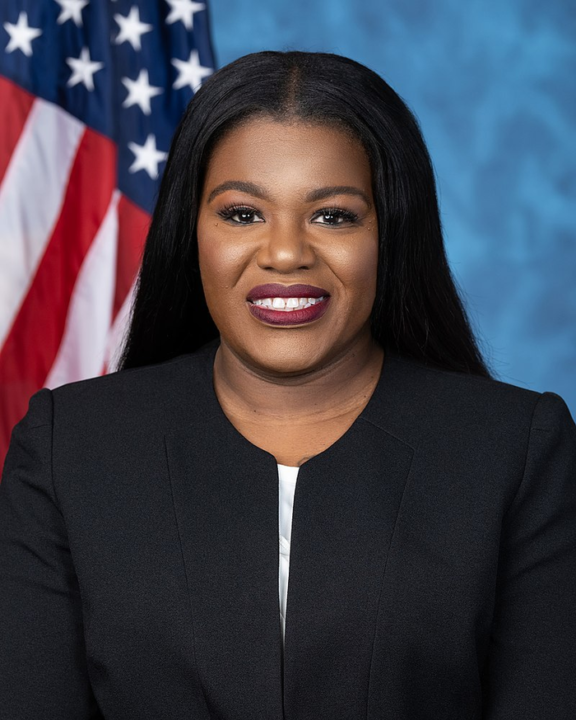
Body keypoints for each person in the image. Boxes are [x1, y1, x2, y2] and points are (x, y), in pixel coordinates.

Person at [0, 50, 575, 720]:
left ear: (390, 233)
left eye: (333, 215)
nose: (284, 253)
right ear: (193, 232)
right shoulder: (71, 448)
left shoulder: (515, 451)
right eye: (243, 213)